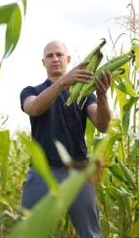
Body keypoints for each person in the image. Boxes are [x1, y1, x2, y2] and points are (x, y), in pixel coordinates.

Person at [20, 40, 112, 238]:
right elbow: (34, 108)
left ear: (68, 59)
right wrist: (63, 83)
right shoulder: (31, 91)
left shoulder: (85, 94)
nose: (55, 59)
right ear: (43, 62)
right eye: (50, 56)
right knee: (29, 232)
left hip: (78, 174)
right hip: (42, 172)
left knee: (91, 234)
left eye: (59, 55)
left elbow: (103, 125)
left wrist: (102, 96)